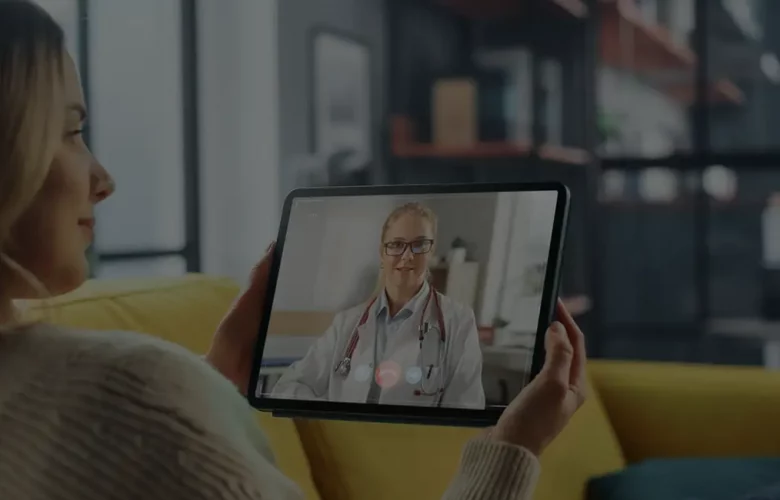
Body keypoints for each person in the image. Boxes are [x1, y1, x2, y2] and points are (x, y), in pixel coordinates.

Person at [0, 1, 588, 499]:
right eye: (72, 131)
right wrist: (512, 448)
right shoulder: (136, 389)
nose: (104, 180)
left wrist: (213, 392)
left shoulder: (456, 316)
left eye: (419, 247)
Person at [272, 203, 486, 408]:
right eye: (396, 245)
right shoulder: (346, 323)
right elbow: (289, 386)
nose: (408, 255)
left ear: (431, 251)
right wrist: (332, 416)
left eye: (420, 244)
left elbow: (466, 408)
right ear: (382, 253)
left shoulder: (458, 321)